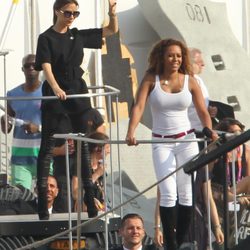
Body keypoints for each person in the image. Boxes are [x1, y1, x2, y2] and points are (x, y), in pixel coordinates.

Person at [126, 38, 217, 250]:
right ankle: (171, 243)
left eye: (178, 55)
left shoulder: (190, 80)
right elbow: (138, 106)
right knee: (168, 192)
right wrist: (131, 131)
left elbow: (203, 111)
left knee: (186, 192)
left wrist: (209, 129)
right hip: (161, 141)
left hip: (187, 140)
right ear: (162, 57)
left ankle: (181, 239)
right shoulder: (151, 79)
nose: (175, 59)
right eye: (170, 55)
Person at [34, 0, 118, 220]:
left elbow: (110, 30)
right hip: (56, 92)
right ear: (57, 12)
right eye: (68, 13)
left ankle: (89, 201)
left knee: (82, 144)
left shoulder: (77, 35)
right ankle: (43, 202)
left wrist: (112, 13)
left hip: (76, 91)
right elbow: (46, 66)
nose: (72, 17)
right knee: (48, 145)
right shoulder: (46, 38)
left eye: (75, 13)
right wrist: (55, 87)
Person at [1, 54, 42, 191]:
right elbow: (7, 127)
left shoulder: (48, 92)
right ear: (22, 69)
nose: (31, 68)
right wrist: (4, 121)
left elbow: (58, 123)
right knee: (22, 201)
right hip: (20, 158)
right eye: (27, 66)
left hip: (44, 155)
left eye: (34, 65)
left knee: (46, 199)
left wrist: (39, 128)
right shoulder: (12, 94)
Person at [72, 131, 110, 212]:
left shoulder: (101, 168)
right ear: (97, 148)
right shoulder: (81, 165)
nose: (109, 151)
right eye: (107, 147)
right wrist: (96, 175)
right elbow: (75, 194)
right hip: (85, 212)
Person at [212, 118, 250, 187]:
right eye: (233, 133)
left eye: (240, 132)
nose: (238, 135)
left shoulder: (246, 150)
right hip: (219, 191)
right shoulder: (216, 150)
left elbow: (248, 178)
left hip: (238, 192)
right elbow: (206, 177)